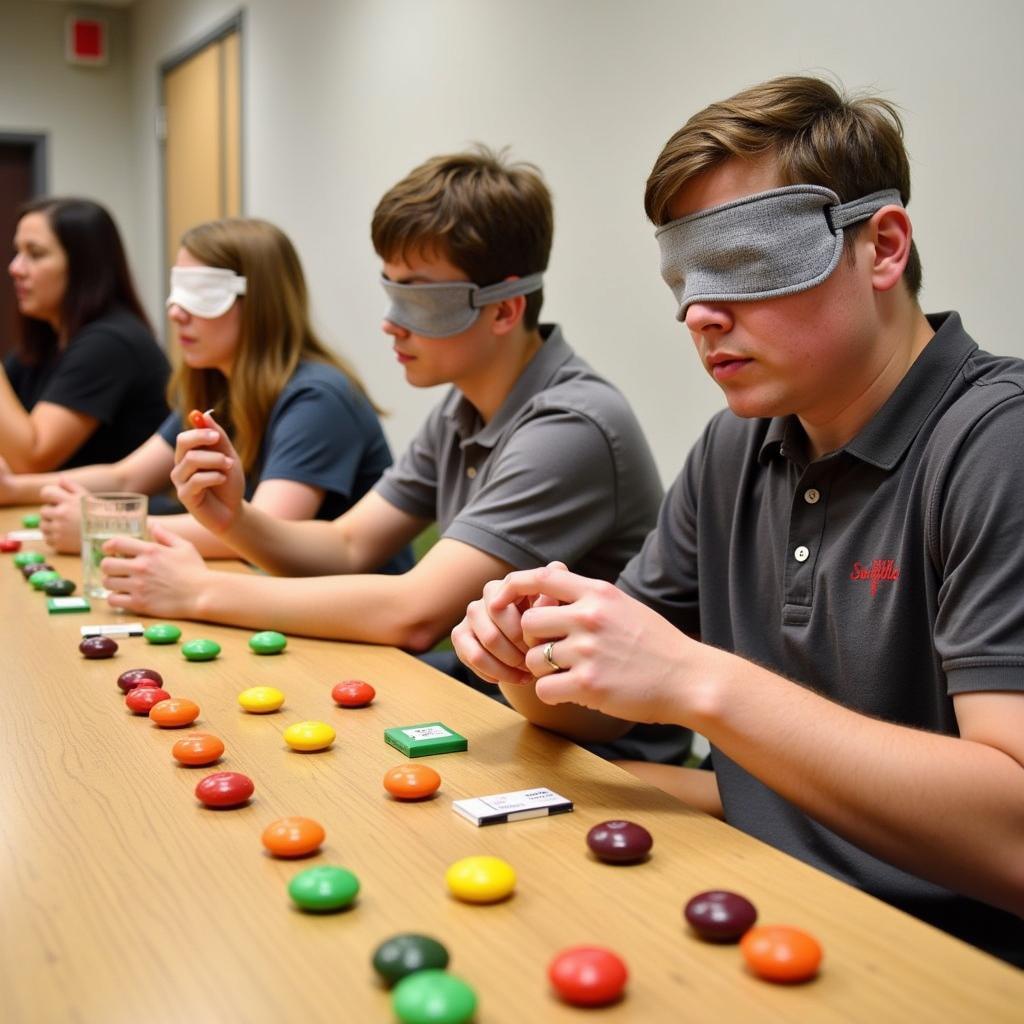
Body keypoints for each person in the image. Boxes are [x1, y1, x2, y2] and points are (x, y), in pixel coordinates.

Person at [450, 77, 1024, 965]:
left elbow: (1014, 836)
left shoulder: (998, 446)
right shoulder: (736, 447)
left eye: (747, 263)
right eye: (683, 277)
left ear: (882, 247)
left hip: (937, 964)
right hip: (748, 904)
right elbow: (601, 710)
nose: (697, 313)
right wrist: (535, 658)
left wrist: (695, 681)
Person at [97, 148, 685, 761]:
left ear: (505, 308)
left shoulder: (569, 427)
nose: (390, 323)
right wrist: (234, 519)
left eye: (418, 298)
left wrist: (197, 593)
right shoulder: (461, 409)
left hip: (601, 759)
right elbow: (348, 545)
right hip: (497, 711)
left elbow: (413, 613)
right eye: (389, 290)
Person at [1, 217, 404, 565]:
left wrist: (104, 526)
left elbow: (261, 533)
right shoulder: (217, 386)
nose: (175, 311)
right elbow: (126, 478)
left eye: (200, 293)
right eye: (177, 290)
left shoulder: (318, 399)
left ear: (260, 302)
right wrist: (14, 489)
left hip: (353, 635)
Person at [2, 197, 169, 473]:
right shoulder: (45, 342)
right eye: (17, 253)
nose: (15, 268)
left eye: (35, 254)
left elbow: (32, 458)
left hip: (125, 514)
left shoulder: (112, 343)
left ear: (82, 265)